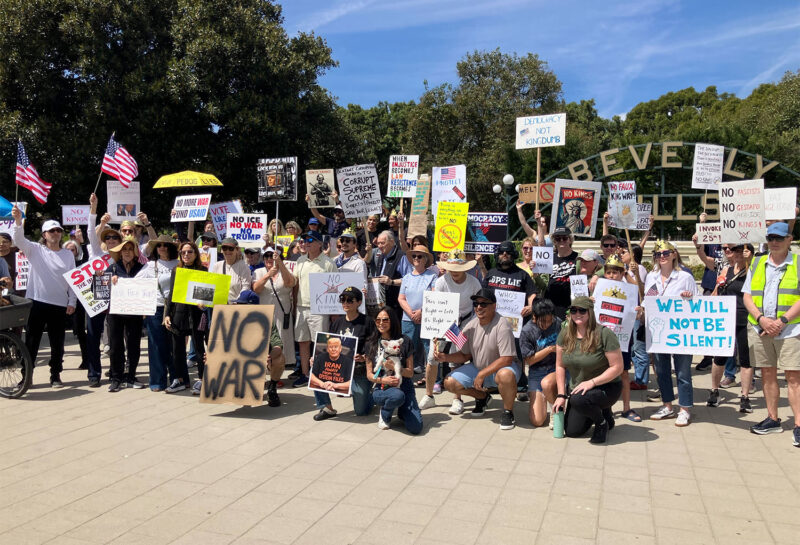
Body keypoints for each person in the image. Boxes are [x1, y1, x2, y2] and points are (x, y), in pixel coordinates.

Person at [742, 222, 800, 445]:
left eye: (779, 238)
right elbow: (747, 295)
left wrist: (782, 321)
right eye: (771, 238)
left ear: (789, 239)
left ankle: (798, 424)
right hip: (761, 328)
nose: (774, 242)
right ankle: (773, 418)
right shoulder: (757, 262)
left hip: (791, 328)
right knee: (767, 373)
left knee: (794, 377)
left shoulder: (797, 262)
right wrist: (761, 319)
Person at [10, 206, 76, 387]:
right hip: (36, 302)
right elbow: (18, 239)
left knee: (58, 344)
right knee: (32, 341)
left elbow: (73, 280)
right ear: (44, 234)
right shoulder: (35, 249)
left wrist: (72, 301)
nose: (56, 233)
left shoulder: (68, 254)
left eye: (58, 230)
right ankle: (26, 377)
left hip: (59, 304)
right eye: (51, 230)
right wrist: (17, 222)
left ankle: (55, 375)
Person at [438, 288, 521, 430]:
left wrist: (482, 374)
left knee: (505, 375)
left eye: (484, 304)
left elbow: (507, 359)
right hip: (478, 367)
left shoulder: (503, 325)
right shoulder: (470, 325)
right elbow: (465, 355)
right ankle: (482, 397)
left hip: (502, 368)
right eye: (476, 304)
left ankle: (508, 412)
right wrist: (445, 357)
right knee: (450, 383)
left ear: (494, 306)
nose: (479, 307)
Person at [553, 296, 624, 443]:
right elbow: (560, 365)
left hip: (606, 386)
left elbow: (617, 367)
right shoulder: (565, 334)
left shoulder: (605, 334)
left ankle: (601, 423)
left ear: (590, 312)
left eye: (582, 310)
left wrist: (592, 382)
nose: (577, 314)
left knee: (578, 399)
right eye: (573, 310)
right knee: (572, 431)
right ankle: (603, 412)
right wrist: (561, 395)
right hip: (578, 388)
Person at [418, 250, 482, 411]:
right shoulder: (441, 282)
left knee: (456, 359)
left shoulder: (474, 283)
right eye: (451, 268)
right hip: (443, 323)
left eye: (458, 269)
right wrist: (434, 329)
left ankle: (457, 398)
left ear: (465, 268)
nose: (454, 272)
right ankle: (429, 394)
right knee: (433, 358)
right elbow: (435, 305)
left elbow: (479, 306)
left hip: (463, 324)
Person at [644, 240, 699, 426]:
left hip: (680, 331)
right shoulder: (651, 277)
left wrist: (689, 298)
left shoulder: (685, 277)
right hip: (658, 330)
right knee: (662, 370)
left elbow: (697, 304)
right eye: (658, 254)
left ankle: (685, 408)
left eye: (666, 253)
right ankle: (667, 405)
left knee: (683, 371)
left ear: (674, 254)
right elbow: (648, 300)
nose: (662, 257)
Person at [702, 243, 754, 412]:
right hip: (726, 319)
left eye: (742, 250)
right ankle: (714, 390)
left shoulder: (753, 272)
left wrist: (751, 261)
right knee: (720, 357)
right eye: (735, 250)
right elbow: (716, 292)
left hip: (745, 319)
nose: (738, 253)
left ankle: (745, 397)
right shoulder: (727, 271)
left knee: (746, 360)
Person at [312, 287, 377, 420]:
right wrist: (317, 357)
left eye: (349, 300)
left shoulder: (367, 322)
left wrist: (364, 357)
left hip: (360, 368)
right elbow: (328, 346)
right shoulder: (337, 322)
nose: (345, 303)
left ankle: (371, 395)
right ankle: (327, 408)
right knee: (315, 370)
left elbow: (375, 346)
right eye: (342, 300)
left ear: (359, 302)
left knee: (361, 411)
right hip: (340, 367)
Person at [285, 230, 338, 387]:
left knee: (320, 343)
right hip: (301, 307)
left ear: (319, 244)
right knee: (303, 342)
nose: (306, 242)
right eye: (304, 239)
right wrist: (294, 307)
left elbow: (334, 289)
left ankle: (320, 373)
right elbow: (295, 285)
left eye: (310, 239)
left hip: (320, 309)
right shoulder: (300, 261)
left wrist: (333, 313)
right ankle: (306, 373)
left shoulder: (329, 263)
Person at [594, 254, 641, 422]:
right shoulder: (598, 288)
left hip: (621, 338)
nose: (612, 275)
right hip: (601, 338)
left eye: (616, 272)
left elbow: (634, 312)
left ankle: (627, 408)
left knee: (623, 373)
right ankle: (605, 408)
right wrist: (592, 301)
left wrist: (637, 312)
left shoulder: (629, 291)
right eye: (609, 272)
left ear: (622, 273)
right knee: (602, 372)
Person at [366, 308, 423, 433]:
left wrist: (395, 368)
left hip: (404, 385)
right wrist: (382, 380)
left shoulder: (405, 341)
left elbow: (410, 372)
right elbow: (369, 375)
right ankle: (385, 413)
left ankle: (402, 411)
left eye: (385, 319)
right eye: (378, 320)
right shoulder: (371, 343)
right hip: (382, 387)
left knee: (416, 428)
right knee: (397, 396)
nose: (381, 323)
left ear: (393, 321)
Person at [252, 246, 294, 404]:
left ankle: (276, 378)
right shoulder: (259, 272)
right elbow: (256, 289)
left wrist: (280, 266)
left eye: (272, 256)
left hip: (282, 314)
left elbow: (290, 283)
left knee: (280, 346)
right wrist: (268, 275)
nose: (269, 259)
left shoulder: (286, 270)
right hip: (264, 315)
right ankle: (262, 378)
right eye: (267, 256)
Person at [164, 242, 207, 395]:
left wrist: (204, 304)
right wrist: (167, 314)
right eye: (183, 252)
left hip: (196, 314)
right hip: (179, 313)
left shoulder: (203, 270)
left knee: (199, 347)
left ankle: (202, 379)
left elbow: (207, 294)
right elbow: (171, 293)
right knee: (177, 349)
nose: (186, 255)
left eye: (189, 252)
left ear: (195, 253)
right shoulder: (177, 270)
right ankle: (180, 380)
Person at [139, 235, 179, 391]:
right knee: (156, 345)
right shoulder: (150, 265)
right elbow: (134, 281)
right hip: (156, 308)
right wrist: (115, 279)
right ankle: (157, 381)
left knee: (174, 345)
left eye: (166, 245)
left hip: (175, 309)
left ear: (171, 247)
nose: (163, 247)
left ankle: (177, 377)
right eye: (159, 245)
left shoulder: (179, 264)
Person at [107, 236, 146, 392]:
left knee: (134, 345)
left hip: (135, 313)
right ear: (120, 252)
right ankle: (116, 378)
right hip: (115, 313)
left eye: (130, 249)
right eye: (125, 249)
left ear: (135, 252)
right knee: (116, 345)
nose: (128, 252)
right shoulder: (113, 268)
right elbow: (96, 288)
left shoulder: (142, 268)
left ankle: (130, 376)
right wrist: (109, 281)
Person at [520, 298, 562, 427]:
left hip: (555, 368)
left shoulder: (558, 323)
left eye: (550, 320)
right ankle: (547, 397)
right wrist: (549, 349)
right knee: (537, 421)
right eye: (544, 322)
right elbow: (529, 360)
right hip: (537, 371)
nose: (548, 324)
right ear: (534, 317)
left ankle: (557, 411)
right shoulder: (527, 331)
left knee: (547, 383)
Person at [398, 243, 437, 374]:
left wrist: (421, 312)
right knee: (406, 349)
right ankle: (405, 375)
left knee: (429, 349)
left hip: (427, 318)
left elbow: (433, 296)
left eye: (419, 256)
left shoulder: (432, 276)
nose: (416, 258)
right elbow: (401, 298)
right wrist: (411, 313)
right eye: (414, 256)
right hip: (408, 319)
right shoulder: (407, 277)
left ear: (425, 259)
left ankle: (432, 377)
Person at [368, 230, 404, 311]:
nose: (380, 246)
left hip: (395, 304)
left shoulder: (401, 256)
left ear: (391, 242)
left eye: (382, 243)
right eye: (378, 243)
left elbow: (409, 280)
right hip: (381, 303)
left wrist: (392, 282)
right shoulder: (381, 256)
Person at [548, 227, 579, 319]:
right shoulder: (548, 259)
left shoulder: (579, 258)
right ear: (554, 241)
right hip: (552, 306)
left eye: (564, 238)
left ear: (570, 240)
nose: (561, 240)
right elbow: (542, 281)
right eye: (558, 238)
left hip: (572, 305)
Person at [211, 238, 252, 303]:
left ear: (237, 249)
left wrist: (237, 302)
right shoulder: (217, 265)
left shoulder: (243, 266)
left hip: (237, 307)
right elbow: (211, 286)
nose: (227, 251)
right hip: (219, 306)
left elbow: (246, 287)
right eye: (224, 248)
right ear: (221, 250)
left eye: (231, 248)